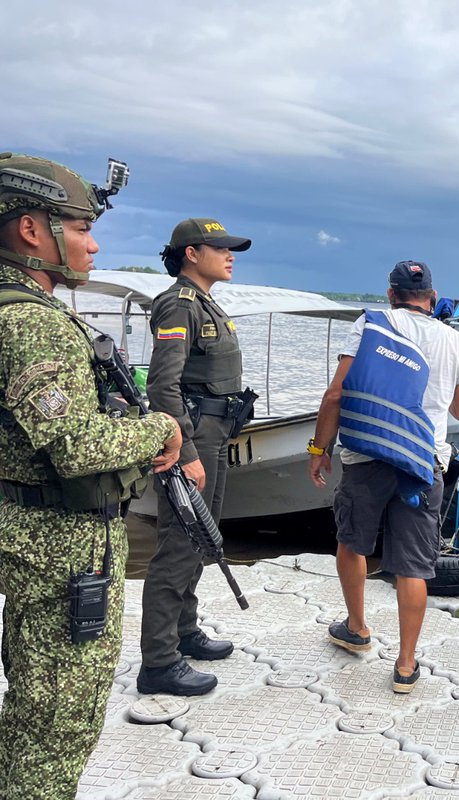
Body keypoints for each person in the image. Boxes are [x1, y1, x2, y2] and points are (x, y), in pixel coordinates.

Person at [0, 153, 181, 797]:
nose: (93, 244)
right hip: (61, 547)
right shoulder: (33, 322)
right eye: (81, 228)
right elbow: (76, 446)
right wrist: (160, 427)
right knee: (55, 727)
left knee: (31, 708)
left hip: (32, 535)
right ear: (32, 230)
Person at [309, 260, 459, 693]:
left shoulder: (370, 325)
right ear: (433, 298)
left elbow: (336, 393)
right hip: (423, 463)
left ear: (390, 295)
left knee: (352, 542)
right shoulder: (458, 342)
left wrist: (319, 449)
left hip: (366, 455)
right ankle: (405, 665)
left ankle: (357, 628)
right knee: (413, 566)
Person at [138, 218, 255, 697]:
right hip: (193, 434)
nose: (230, 256)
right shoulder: (179, 304)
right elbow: (162, 386)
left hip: (214, 431)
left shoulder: (205, 302)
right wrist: (184, 450)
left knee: (202, 535)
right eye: (220, 248)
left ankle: (184, 631)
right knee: (179, 542)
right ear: (191, 253)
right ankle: (159, 662)